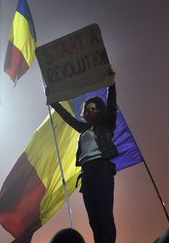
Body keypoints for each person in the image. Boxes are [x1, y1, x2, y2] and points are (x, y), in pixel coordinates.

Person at [50, 68, 118, 243]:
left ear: (100, 110)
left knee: (104, 215)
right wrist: (53, 102)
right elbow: (67, 118)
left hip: (102, 169)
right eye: (87, 110)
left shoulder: (107, 124)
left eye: (93, 109)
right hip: (87, 173)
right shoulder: (83, 129)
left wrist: (111, 83)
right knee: (94, 220)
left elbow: (112, 104)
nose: (90, 112)